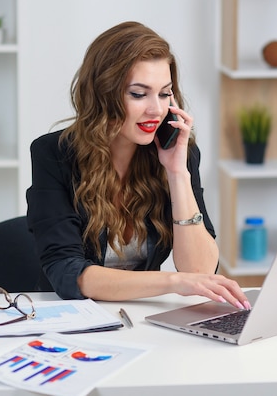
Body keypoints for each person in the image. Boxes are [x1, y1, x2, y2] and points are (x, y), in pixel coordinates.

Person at [26, 21, 249, 311]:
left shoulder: (178, 153)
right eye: (138, 94)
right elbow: (68, 273)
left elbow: (201, 269)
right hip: (75, 316)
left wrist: (177, 173)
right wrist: (171, 282)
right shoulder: (53, 154)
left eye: (165, 93)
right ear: (103, 94)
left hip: (142, 314)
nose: (156, 109)